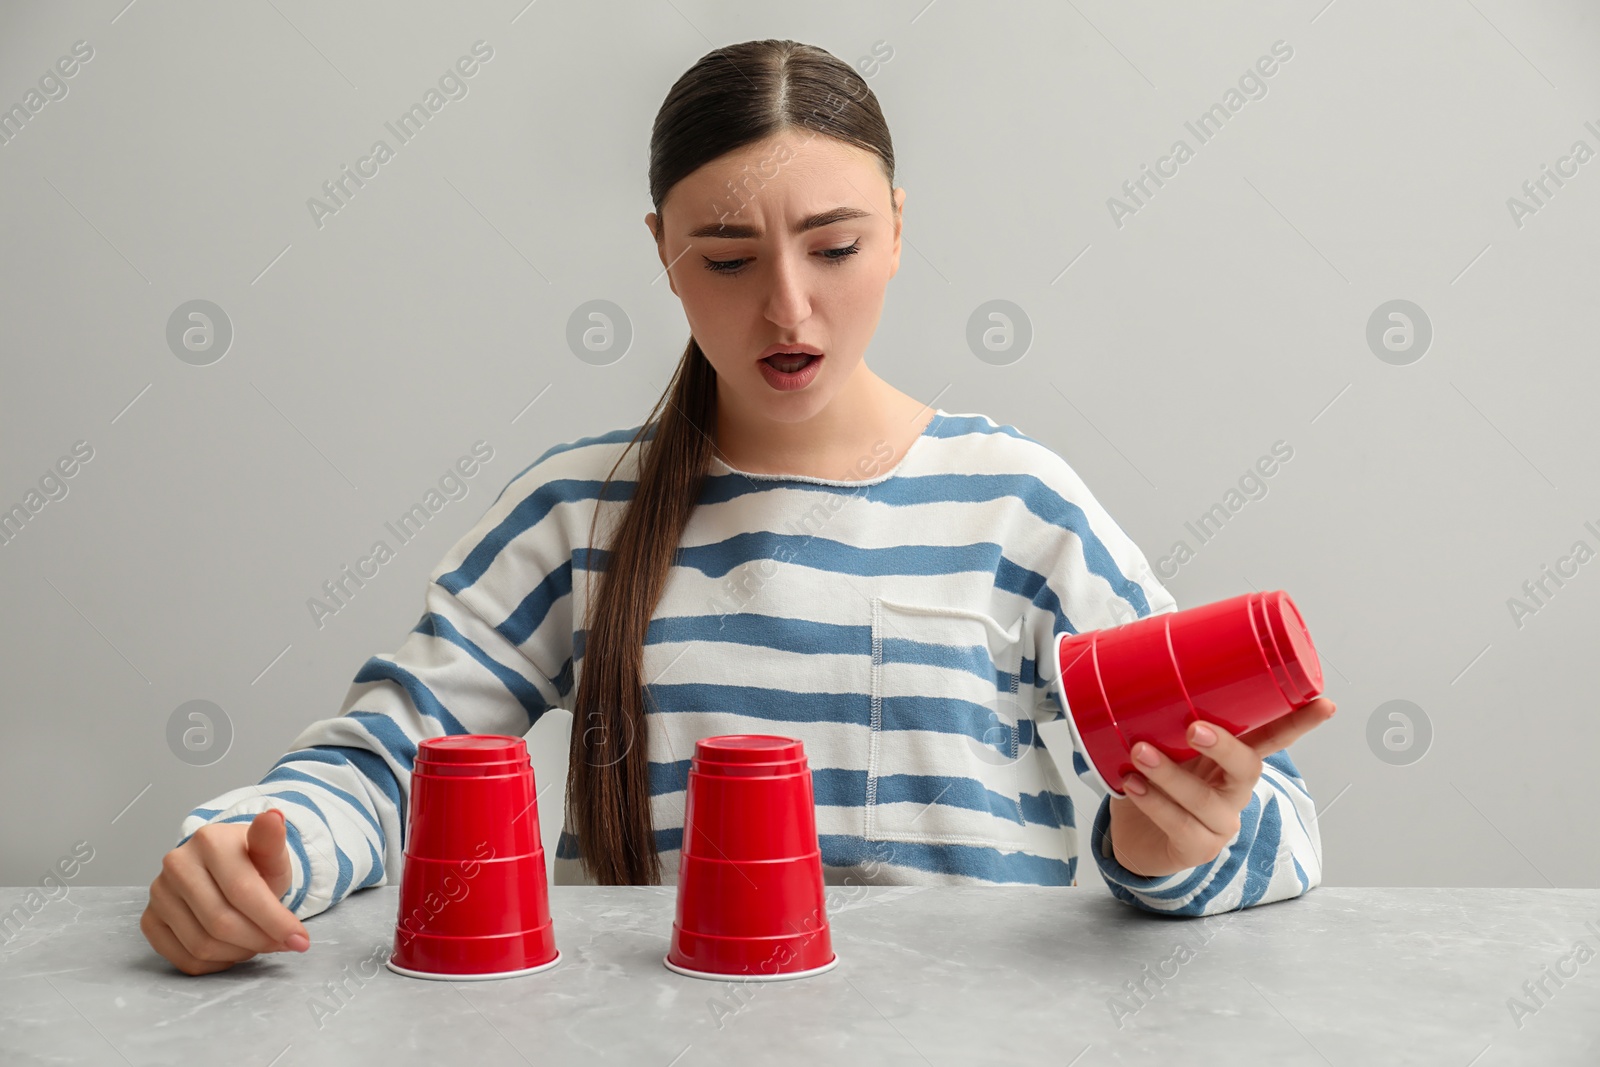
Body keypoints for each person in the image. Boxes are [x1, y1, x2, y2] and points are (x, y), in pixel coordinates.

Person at [141, 38, 1337, 976]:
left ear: (898, 230)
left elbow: (1277, 822)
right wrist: (262, 854)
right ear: (660, 248)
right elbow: (384, 764)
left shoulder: (1020, 507)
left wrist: (1163, 846)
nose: (788, 311)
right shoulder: (578, 514)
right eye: (725, 257)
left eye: (833, 246)